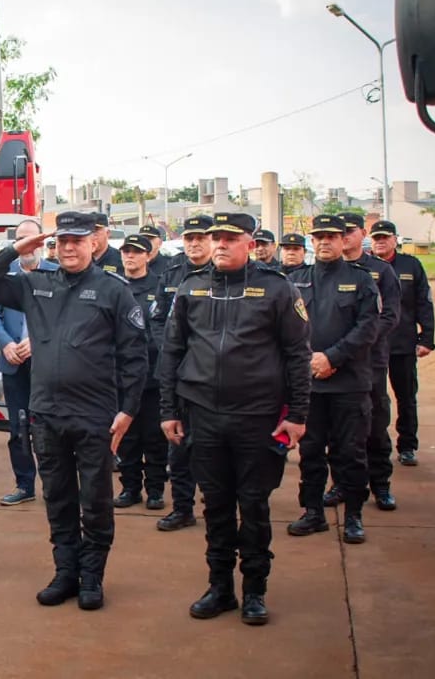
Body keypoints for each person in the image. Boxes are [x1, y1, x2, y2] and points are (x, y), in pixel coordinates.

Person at [0, 211, 148, 611]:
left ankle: (92, 578)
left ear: (93, 243)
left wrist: (129, 410)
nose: (68, 248)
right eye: (61, 241)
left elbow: (136, 357)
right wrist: (18, 248)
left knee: (96, 501)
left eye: (77, 240)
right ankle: (65, 573)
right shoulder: (35, 284)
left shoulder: (113, 289)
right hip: (47, 413)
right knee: (58, 497)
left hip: (94, 416)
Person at [159, 212, 310, 625]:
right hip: (203, 415)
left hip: (256, 417)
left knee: (254, 506)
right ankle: (220, 587)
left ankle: (255, 590)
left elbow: (298, 355)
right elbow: (171, 352)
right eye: (215, 238)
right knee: (217, 505)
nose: (220, 244)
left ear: (249, 242)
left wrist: (297, 414)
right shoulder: (191, 287)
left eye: (229, 238)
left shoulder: (278, 289)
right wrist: (168, 411)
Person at [286, 215, 380, 544]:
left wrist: (332, 357)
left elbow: (368, 328)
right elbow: (287, 329)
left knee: (351, 453)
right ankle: (312, 512)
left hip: (349, 383)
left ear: (344, 241)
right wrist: (310, 361)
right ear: (312, 242)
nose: (324, 242)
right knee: (310, 452)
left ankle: (353, 515)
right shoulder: (296, 280)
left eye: (331, 237)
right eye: (319, 237)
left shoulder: (362, 280)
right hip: (309, 383)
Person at [323, 213, 401, 511]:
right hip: (330, 363)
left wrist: (354, 345)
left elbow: (389, 317)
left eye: (348, 231)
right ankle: (341, 484)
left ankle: (380, 484)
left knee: (373, 426)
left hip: (368, 363)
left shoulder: (379, 271)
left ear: (360, 234)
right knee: (335, 431)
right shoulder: (324, 273)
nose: (343, 236)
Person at [148, 214, 214, 531]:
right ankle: (183, 508)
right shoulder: (172, 273)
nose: (194, 243)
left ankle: (217, 508)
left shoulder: (226, 276)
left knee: (214, 449)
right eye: (189, 238)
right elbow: (158, 319)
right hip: (177, 372)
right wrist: (173, 349)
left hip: (214, 377)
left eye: (201, 237)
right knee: (179, 446)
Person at [0, 218, 58, 506]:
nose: (25, 245)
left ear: (41, 241)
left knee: (50, 428)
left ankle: (55, 486)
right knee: (18, 428)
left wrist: (40, 343)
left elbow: (65, 319)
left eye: (30, 239)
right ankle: (24, 485)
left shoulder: (58, 274)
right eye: (20, 239)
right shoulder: (5, 276)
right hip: (14, 364)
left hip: (47, 368)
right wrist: (5, 344)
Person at [370, 220, 435, 466]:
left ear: (395, 239)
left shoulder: (411, 265)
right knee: (373, 399)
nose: (380, 241)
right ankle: (373, 445)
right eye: (376, 237)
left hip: (402, 343)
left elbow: (424, 302)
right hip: (372, 345)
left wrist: (427, 338)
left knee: (406, 397)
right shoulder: (363, 267)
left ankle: (407, 445)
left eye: (385, 237)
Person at [113, 234, 168, 511]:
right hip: (121, 377)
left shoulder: (158, 288)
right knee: (127, 438)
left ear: (148, 256)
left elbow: (160, 332)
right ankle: (130, 488)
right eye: (125, 252)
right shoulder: (112, 287)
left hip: (151, 377)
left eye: (136, 252)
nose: (129, 257)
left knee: (154, 438)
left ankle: (155, 490)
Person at [91, 211, 124, 275]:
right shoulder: (80, 259)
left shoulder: (121, 259)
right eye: (89, 231)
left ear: (107, 233)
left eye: (96, 230)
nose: (92, 235)